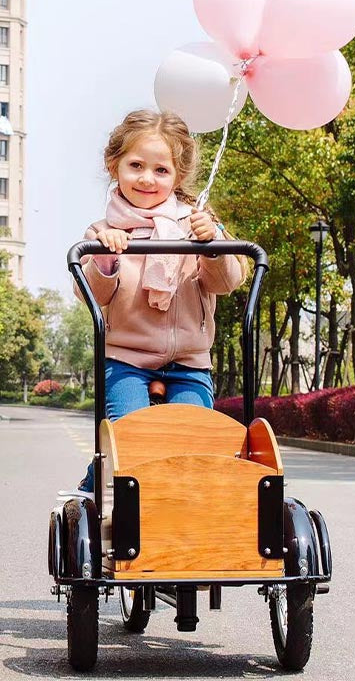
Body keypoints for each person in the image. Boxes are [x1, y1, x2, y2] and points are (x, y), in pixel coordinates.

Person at [74, 109, 247, 494]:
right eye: (136, 165)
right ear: (114, 165)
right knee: (131, 439)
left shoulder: (197, 224)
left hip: (188, 361)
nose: (147, 178)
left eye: (161, 170)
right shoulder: (103, 232)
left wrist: (213, 246)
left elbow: (226, 282)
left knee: (198, 442)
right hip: (127, 360)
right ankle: (94, 485)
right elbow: (92, 295)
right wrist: (106, 259)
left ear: (178, 176)